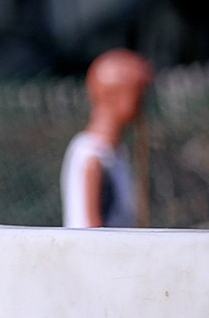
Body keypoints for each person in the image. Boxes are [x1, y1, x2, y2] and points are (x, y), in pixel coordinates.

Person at [62, 49, 153, 229]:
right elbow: (92, 229)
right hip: (102, 255)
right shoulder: (92, 155)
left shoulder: (115, 153)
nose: (143, 102)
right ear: (112, 95)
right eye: (138, 93)